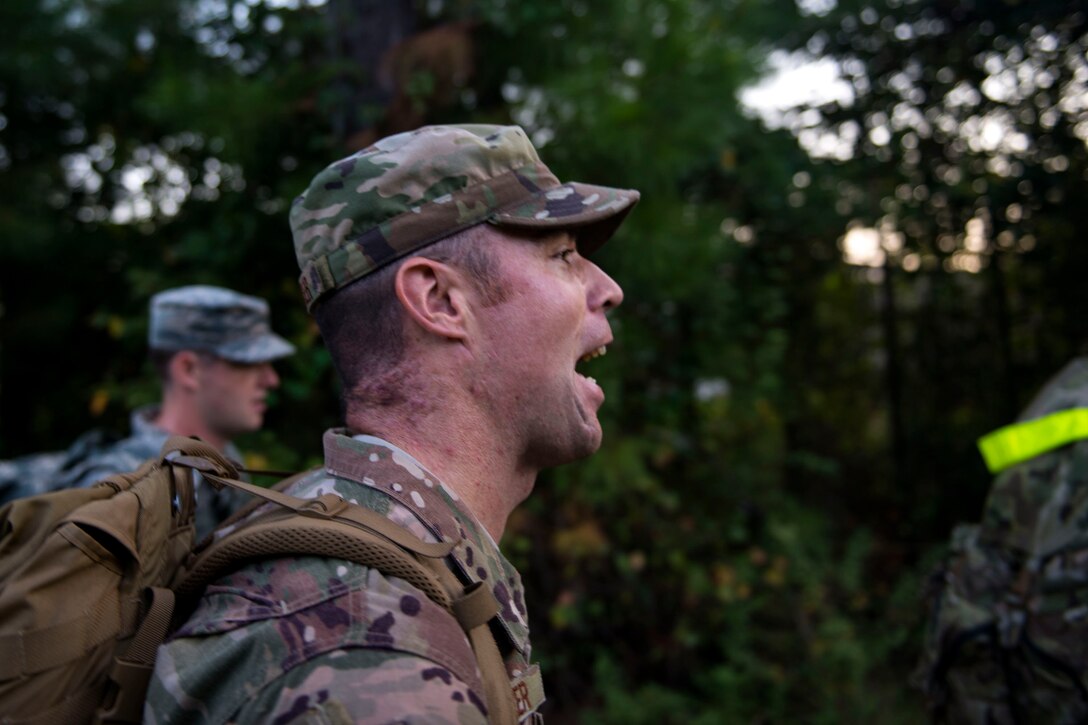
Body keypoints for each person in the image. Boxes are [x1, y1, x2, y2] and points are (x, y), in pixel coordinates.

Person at [145, 124, 639, 723]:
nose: (607, 289)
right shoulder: (364, 654)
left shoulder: (373, 552)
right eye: (562, 254)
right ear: (438, 301)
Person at [21, 285, 295, 536]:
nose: (271, 380)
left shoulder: (223, 465)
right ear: (189, 370)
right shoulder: (122, 488)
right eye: (247, 363)